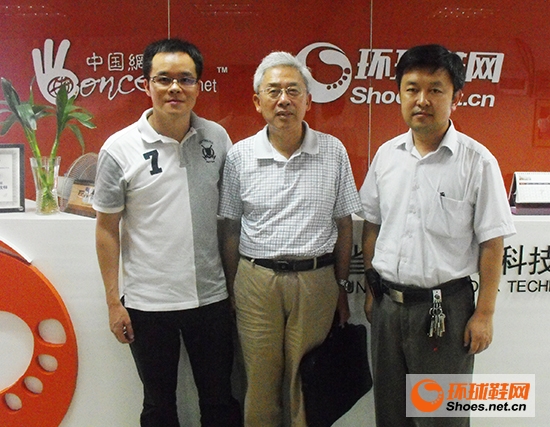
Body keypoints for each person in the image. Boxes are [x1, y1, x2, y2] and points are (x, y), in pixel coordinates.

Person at [359, 44, 516, 427]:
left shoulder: (477, 162)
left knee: (440, 419)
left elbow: (492, 244)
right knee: (391, 416)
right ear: (399, 94)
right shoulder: (386, 156)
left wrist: (485, 314)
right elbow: (372, 225)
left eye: (435, 90)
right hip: (387, 308)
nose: (422, 100)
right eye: (412, 89)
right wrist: (372, 290)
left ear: (455, 97)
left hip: (444, 312)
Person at [93, 38, 241, 427]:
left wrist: (233, 288)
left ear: (198, 86)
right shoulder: (119, 148)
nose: (175, 88)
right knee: (158, 407)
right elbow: (106, 228)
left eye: (185, 79)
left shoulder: (217, 138)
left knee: (220, 402)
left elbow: (229, 222)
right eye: (163, 79)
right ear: (147, 85)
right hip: (147, 304)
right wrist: (113, 302)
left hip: (210, 298)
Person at [219, 51, 363, 427]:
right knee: (260, 382)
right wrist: (233, 288)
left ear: (308, 101)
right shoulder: (239, 156)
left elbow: (344, 224)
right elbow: (230, 228)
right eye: (274, 91)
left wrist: (341, 287)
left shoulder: (333, 151)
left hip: (316, 281)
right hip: (256, 281)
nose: (283, 100)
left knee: (307, 381)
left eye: (293, 91)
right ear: (258, 101)